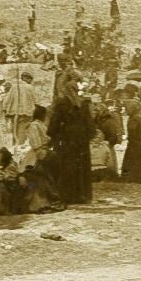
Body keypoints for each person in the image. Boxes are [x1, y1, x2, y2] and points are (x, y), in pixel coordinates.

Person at [47, 75, 95, 205]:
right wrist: (88, 137)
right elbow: (91, 125)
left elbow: (54, 124)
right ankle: (82, 195)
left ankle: (68, 195)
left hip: (66, 139)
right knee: (82, 167)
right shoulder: (83, 104)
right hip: (82, 140)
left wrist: (52, 136)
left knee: (66, 166)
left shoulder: (62, 104)